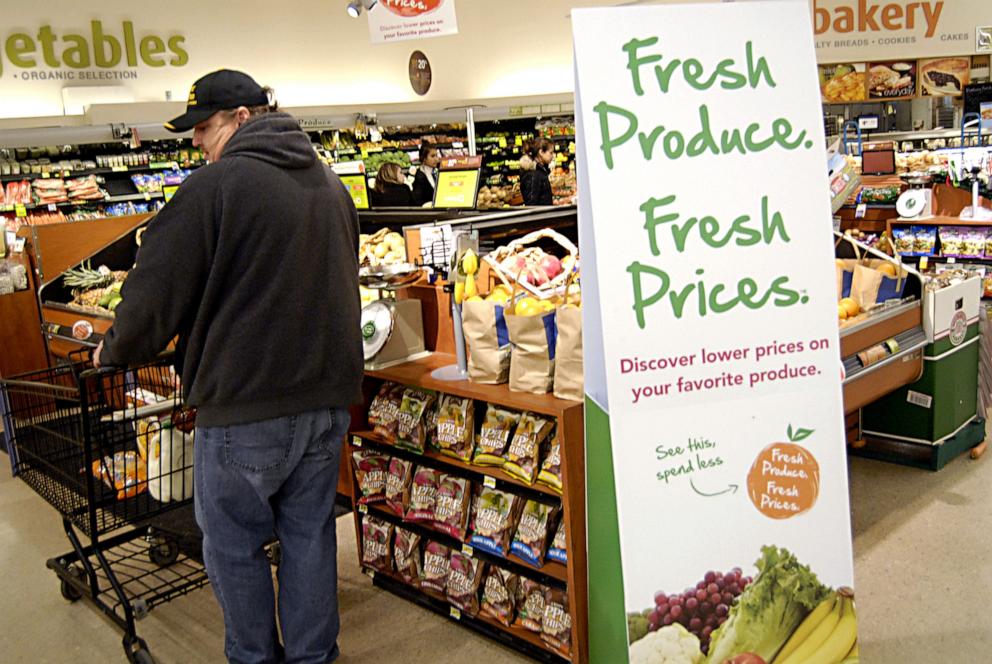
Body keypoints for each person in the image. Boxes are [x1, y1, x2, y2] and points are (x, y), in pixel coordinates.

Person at [95, 69, 363, 664]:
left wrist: (114, 349)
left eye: (205, 127)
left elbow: (153, 291)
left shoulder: (215, 188)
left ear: (243, 119)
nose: (197, 141)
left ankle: (253, 658)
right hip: (324, 404)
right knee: (309, 537)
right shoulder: (330, 184)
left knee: (235, 546)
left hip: (244, 409)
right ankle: (315, 657)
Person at [520, 138, 554, 206]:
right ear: (541, 152)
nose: (553, 156)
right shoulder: (533, 174)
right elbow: (531, 204)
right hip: (541, 216)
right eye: (551, 153)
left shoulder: (540, 171)